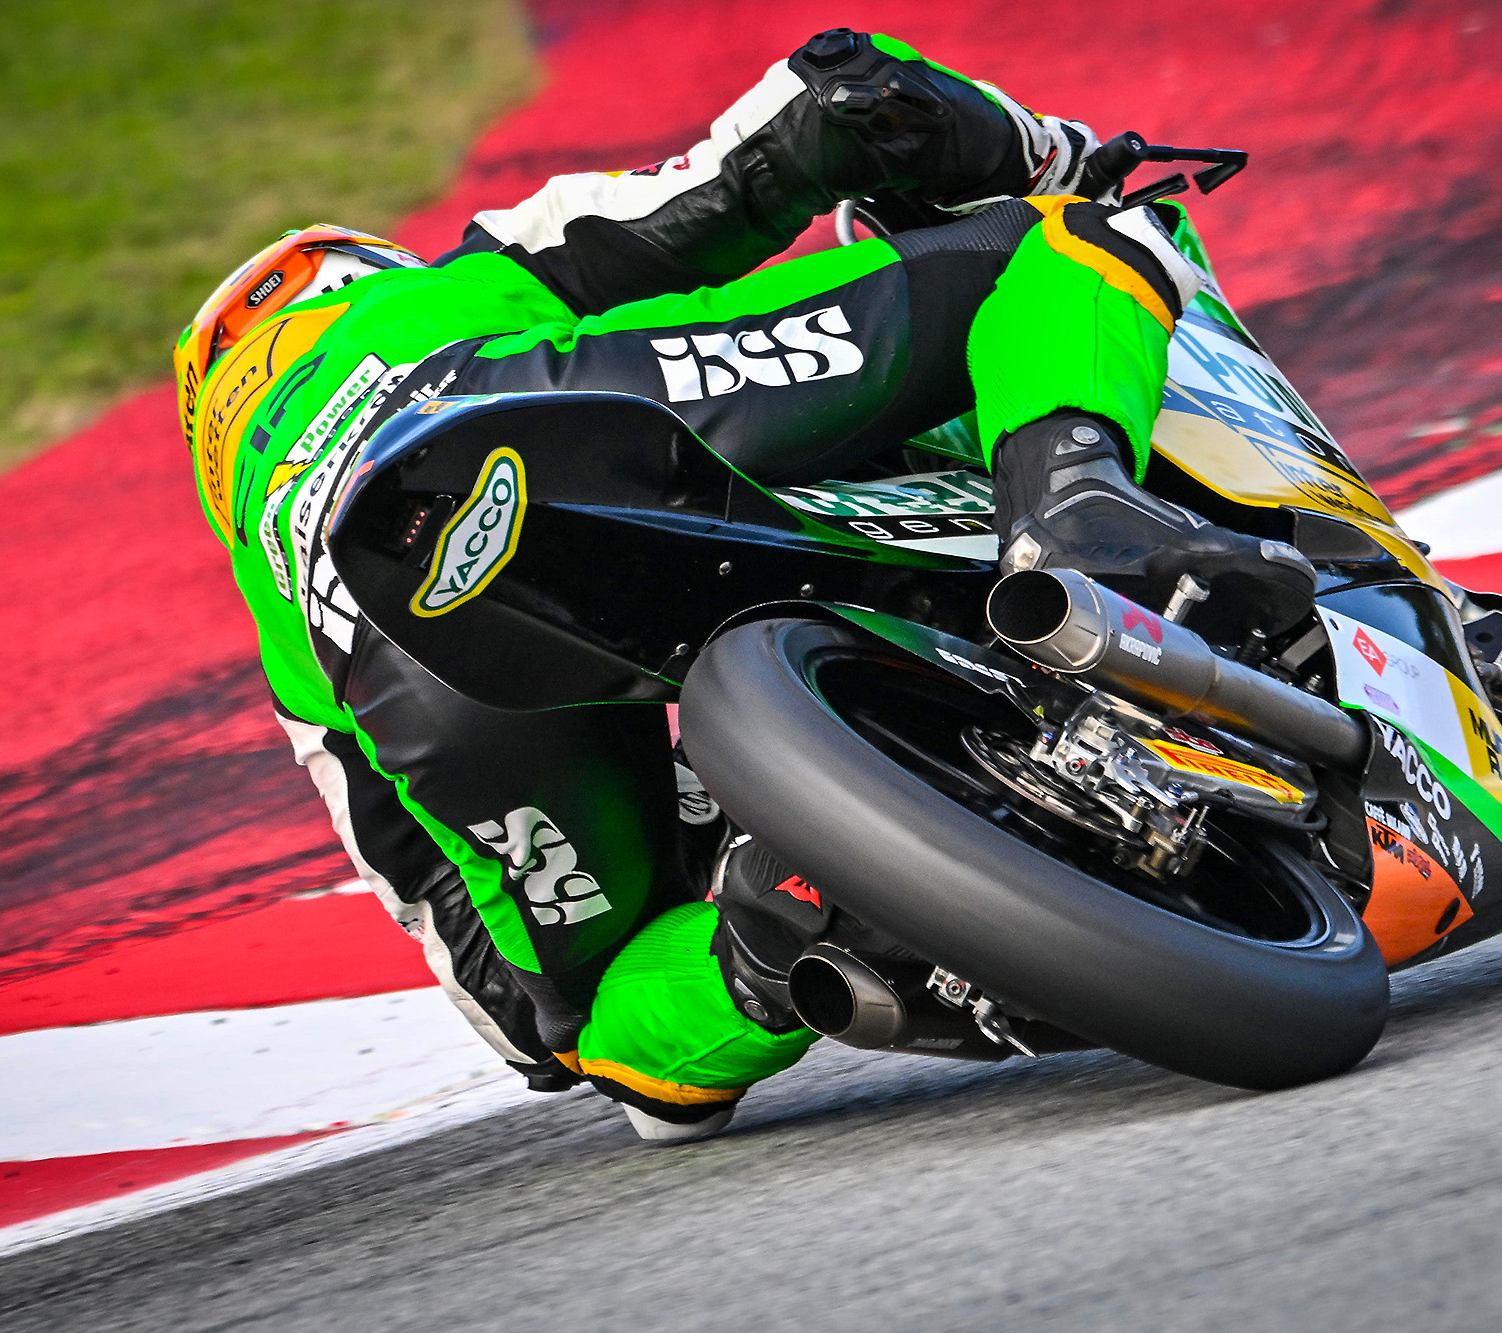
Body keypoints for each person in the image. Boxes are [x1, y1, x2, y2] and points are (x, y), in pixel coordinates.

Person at [173, 29, 1315, 1143]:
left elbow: (490, 987)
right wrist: (1040, 151)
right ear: (356, 274)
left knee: (598, 1027)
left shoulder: (277, 617)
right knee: (1065, 241)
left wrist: (580, 996)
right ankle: (1073, 507)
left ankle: (763, 953)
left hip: (379, 651)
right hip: (525, 402)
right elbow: (786, 135)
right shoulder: (461, 281)